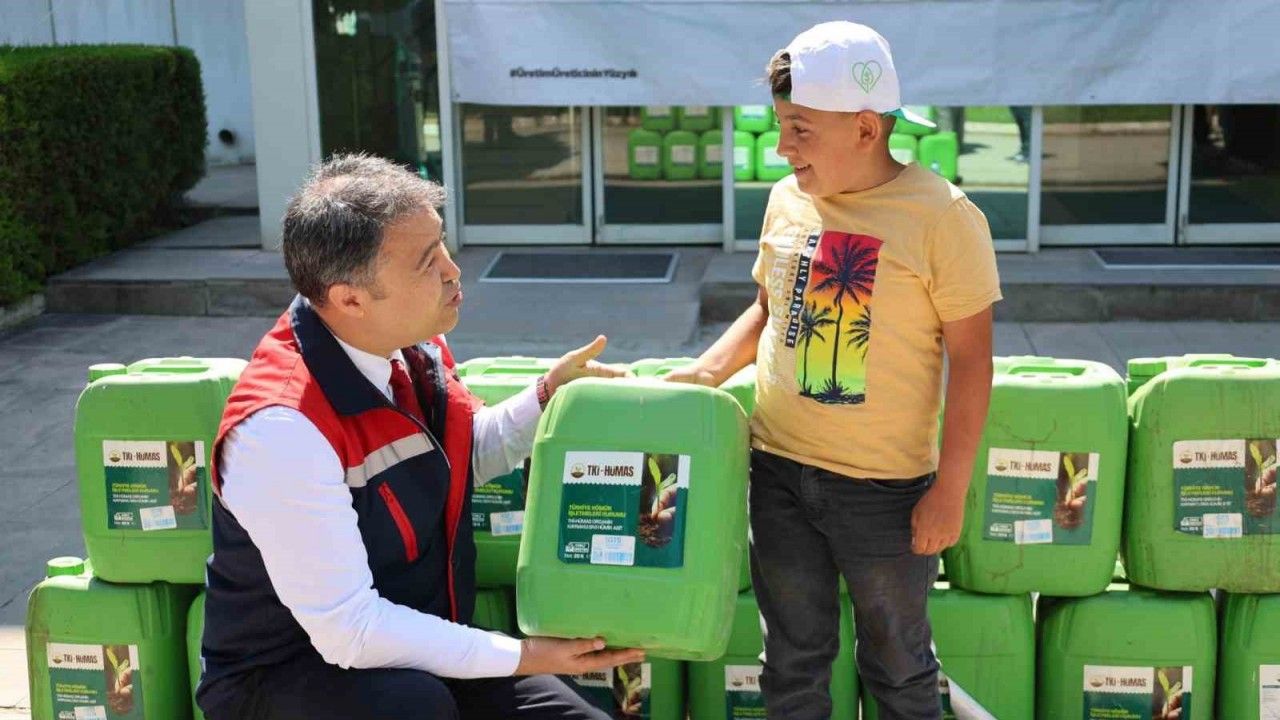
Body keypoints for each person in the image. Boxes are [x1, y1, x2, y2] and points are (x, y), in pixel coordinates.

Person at [195, 153, 642, 719]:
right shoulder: (282, 429)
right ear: (350, 298)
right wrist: (524, 655)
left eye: (443, 246)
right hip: (289, 676)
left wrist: (549, 395)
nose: (454, 271)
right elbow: (350, 631)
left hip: (417, 648)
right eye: (428, 262)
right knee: (416, 706)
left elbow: (460, 455)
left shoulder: (409, 346)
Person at [667, 21, 1001, 720]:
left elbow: (973, 362)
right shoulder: (787, 199)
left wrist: (950, 489)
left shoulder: (943, 217)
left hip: (884, 494)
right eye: (780, 127)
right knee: (790, 663)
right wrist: (703, 373)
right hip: (778, 474)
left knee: (899, 668)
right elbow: (767, 308)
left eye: (800, 130)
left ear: (865, 128)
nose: (782, 147)